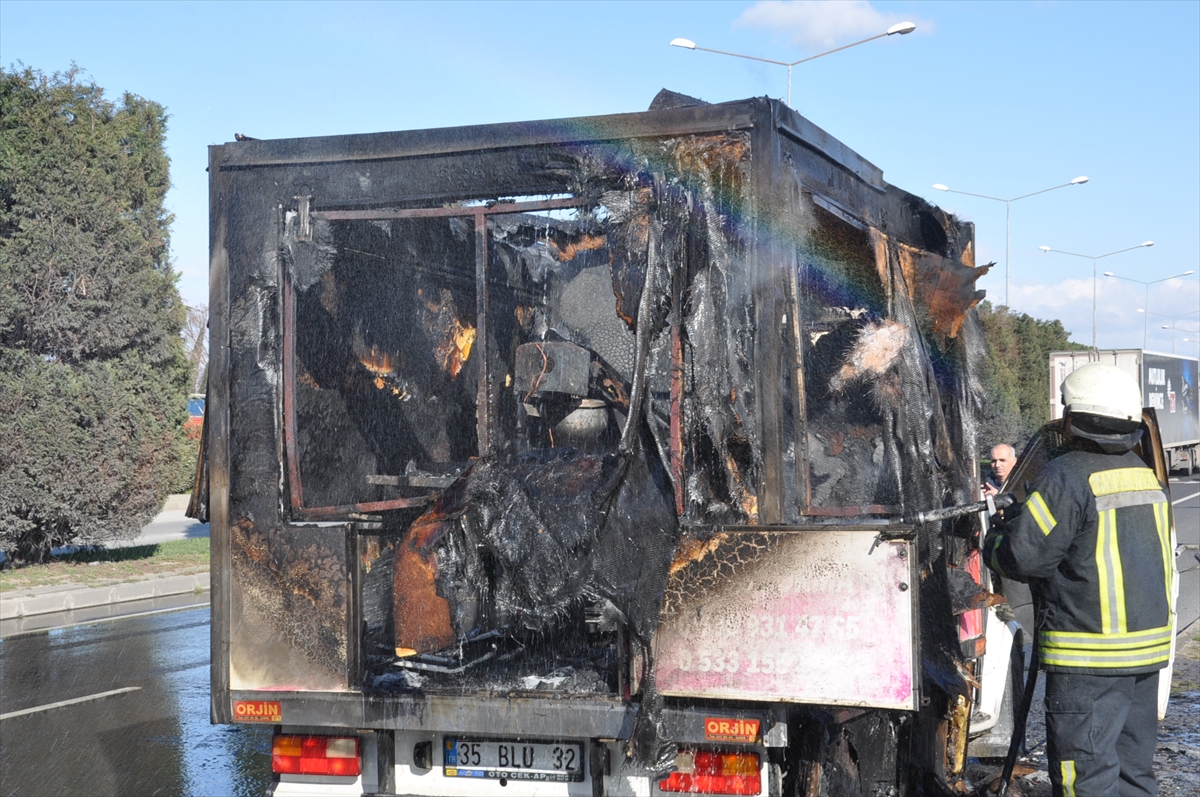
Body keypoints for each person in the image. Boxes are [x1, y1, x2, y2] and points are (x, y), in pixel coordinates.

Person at [986, 363, 1173, 797]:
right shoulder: (1144, 475)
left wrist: (995, 537)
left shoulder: (1066, 475)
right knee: (1133, 776)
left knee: (1083, 781)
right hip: (1144, 659)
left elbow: (1023, 556)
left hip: (1089, 659)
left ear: (1076, 420)